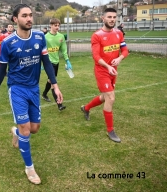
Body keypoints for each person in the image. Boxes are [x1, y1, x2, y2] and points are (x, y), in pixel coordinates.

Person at [0, 4, 63, 185]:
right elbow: (1, 71)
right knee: (26, 129)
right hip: (17, 89)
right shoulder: (8, 43)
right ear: (15, 19)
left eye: (30, 15)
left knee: (34, 129)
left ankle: (16, 132)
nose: (29, 18)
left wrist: (55, 85)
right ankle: (29, 169)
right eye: (24, 15)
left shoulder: (39, 37)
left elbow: (46, 63)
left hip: (34, 88)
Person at [80, 8, 129, 143]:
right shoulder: (97, 35)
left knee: (104, 97)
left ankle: (86, 108)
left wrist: (119, 59)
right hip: (102, 71)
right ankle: (110, 131)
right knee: (111, 97)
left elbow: (125, 50)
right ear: (103, 18)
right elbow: (96, 56)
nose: (112, 19)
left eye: (114, 17)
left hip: (113, 71)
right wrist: (108, 66)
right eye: (109, 17)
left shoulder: (119, 33)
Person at [41, 18, 72, 111]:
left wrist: (67, 61)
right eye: (55, 25)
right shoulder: (45, 37)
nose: (57, 27)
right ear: (50, 25)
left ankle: (44, 94)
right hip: (48, 62)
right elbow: (41, 50)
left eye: (58, 25)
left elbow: (63, 50)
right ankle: (59, 105)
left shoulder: (61, 36)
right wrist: (43, 63)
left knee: (50, 80)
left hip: (56, 62)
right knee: (53, 82)